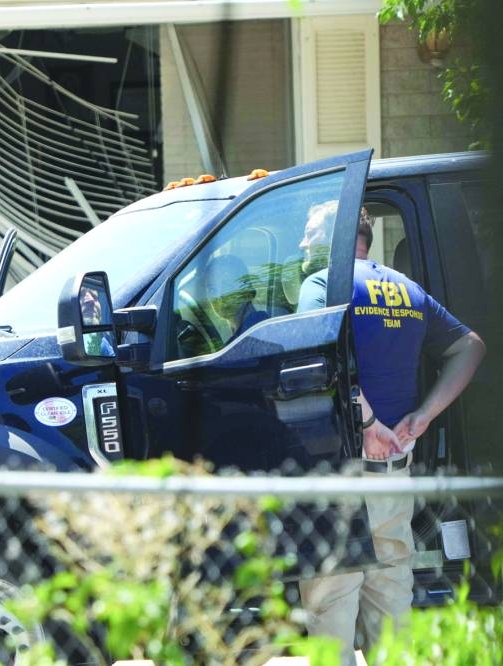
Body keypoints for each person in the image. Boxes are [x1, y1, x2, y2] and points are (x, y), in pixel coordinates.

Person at [296, 211, 486, 664]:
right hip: (394, 472)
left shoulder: (323, 285)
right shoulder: (406, 289)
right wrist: (423, 415)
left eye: (309, 235)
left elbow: (320, 358)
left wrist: (366, 424)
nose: (304, 246)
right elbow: (471, 347)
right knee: (391, 597)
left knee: (332, 601)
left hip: (341, 470)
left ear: (335, 236)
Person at [203, 254, 268, 344]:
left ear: (247, 289)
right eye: (212, 290)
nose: (219, 297)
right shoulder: (239, 337)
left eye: (227, 287)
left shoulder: (260, 333)